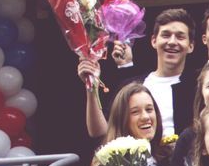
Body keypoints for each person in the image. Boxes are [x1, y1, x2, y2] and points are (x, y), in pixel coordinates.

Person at [79, 8, 197, 140]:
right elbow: (101, 132)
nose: (172, 42)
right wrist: (91, 87)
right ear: (154, 41)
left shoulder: (199, 86)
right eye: (166, 35)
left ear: (191, 46)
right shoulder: (133, 85)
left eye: (180, 37)